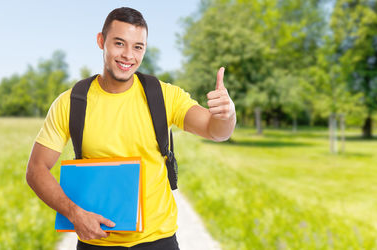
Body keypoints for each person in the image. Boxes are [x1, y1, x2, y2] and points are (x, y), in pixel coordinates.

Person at [25, 7, 236, 250]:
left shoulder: (163, 96)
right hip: (96, 241)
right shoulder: (71, 102)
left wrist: (226, 114)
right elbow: (36, 169)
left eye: (138, 47)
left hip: (159, 241)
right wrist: (74, 213)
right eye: (119, 43)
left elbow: (216, 131)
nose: (128, 55)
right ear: (101, 41)